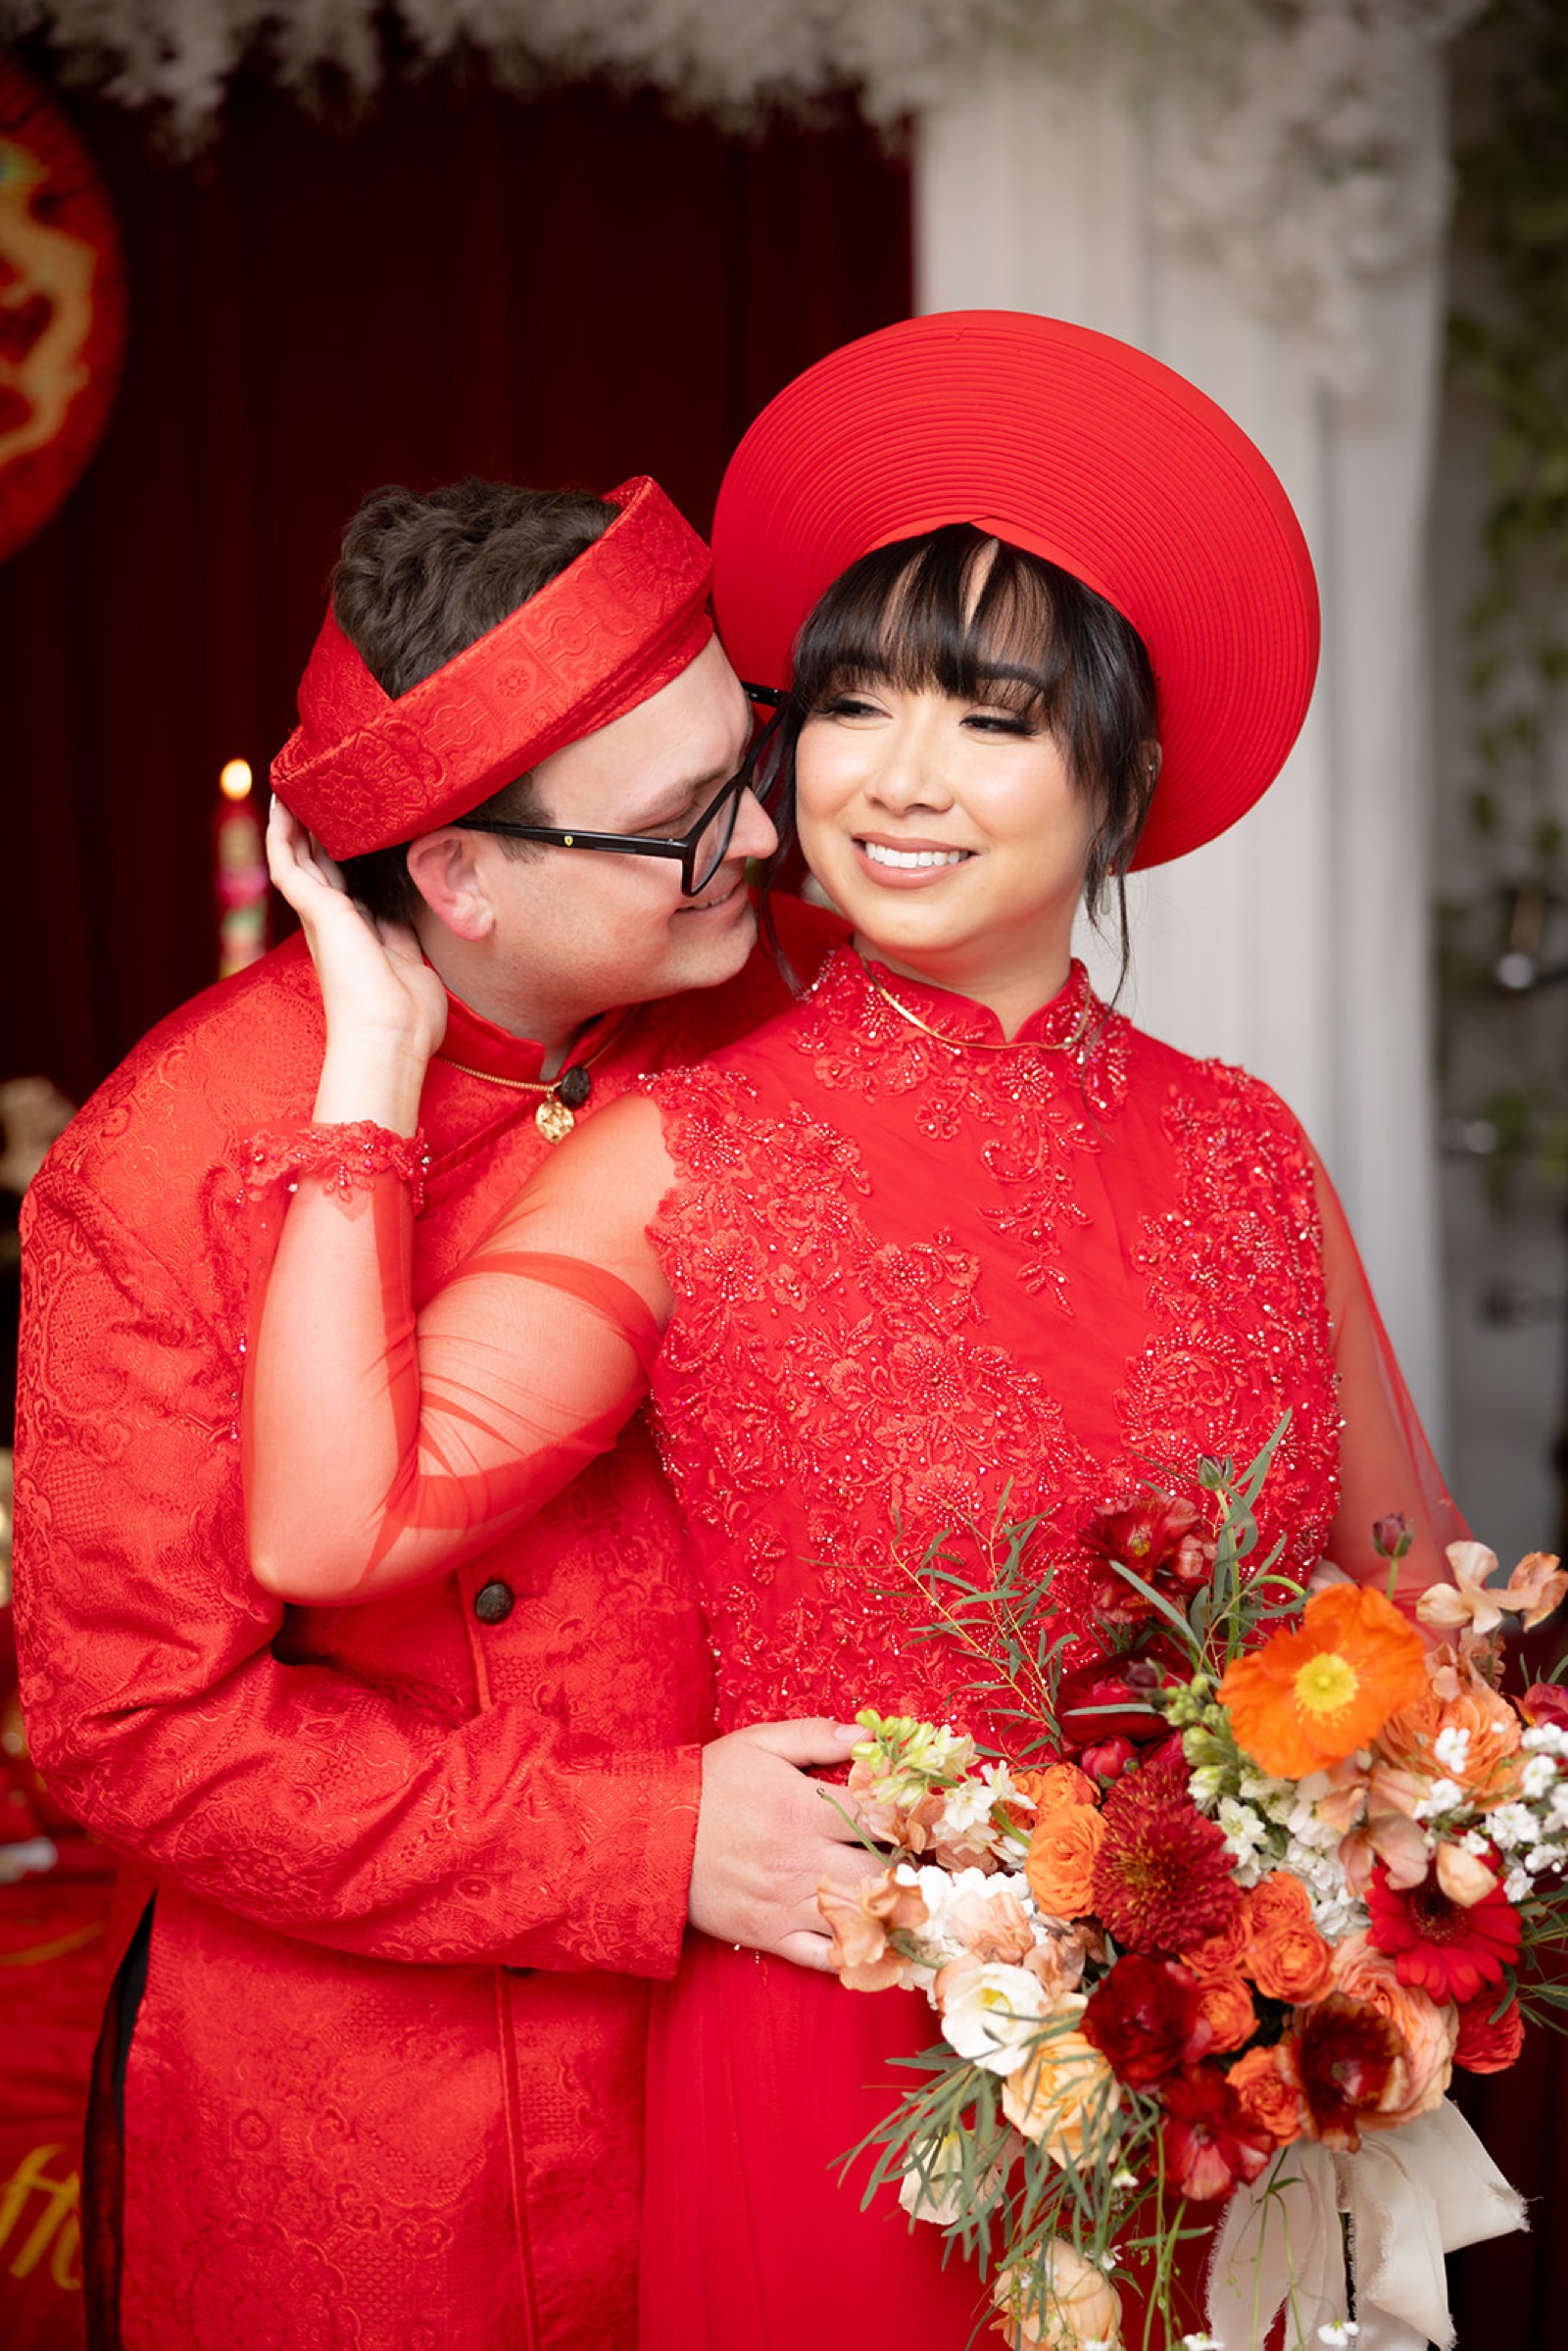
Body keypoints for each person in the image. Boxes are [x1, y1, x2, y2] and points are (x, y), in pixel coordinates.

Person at [242, 316, 1462, 2346]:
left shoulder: (1247, 1151)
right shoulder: (675, 1156)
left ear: (1114, 772)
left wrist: (1344, 1923)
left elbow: (1402, 1627)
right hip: (837, 2068)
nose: (893, 779)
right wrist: (369, 1065)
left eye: (985, 718)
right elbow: (324, 1527)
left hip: (1220, 2080)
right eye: (847, 704)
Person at [12, 471, 864, 2351]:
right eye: (674, 825)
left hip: (784, 2054)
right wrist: (646, 1847)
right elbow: (133, 1730)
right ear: (458, 871)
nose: (760, 839)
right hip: (375, 2146)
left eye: (752, 761)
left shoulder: (809, 1024)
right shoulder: (161, 1170)